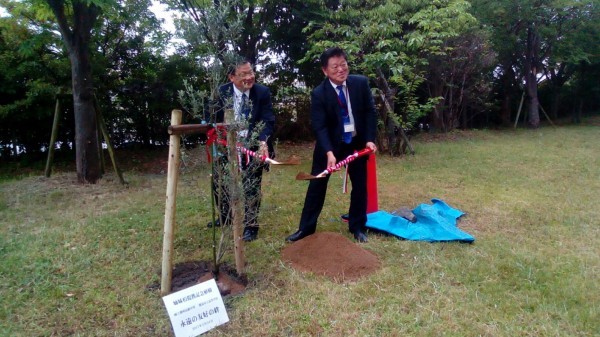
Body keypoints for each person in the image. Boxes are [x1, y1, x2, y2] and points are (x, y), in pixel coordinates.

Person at [286, 47, 377, 243]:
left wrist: (370, 138)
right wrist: (328, 152)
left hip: (356, 143)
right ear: (325, 71)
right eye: (334, 66)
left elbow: (370, 112)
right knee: (316, 185)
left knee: (360, 186)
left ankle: (358, 226)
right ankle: (306, 229)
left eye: (343, 64)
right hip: (330, 146)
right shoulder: (319, 93)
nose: (340, 70)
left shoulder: (360, 84)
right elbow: (320, 126)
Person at [208, 59, 275, 242]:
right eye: (243, 74)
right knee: (220, 182)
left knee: (252, 184)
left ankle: (251, 225)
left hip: (252, 145)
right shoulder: (221, 93)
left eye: (251, 72)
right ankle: (225, 216)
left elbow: (268, 120)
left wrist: (263, 142)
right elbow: (210, 118)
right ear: (231, 77)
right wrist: (220, 136)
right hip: (225, 145)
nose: (249, 77)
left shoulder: (262, 92)